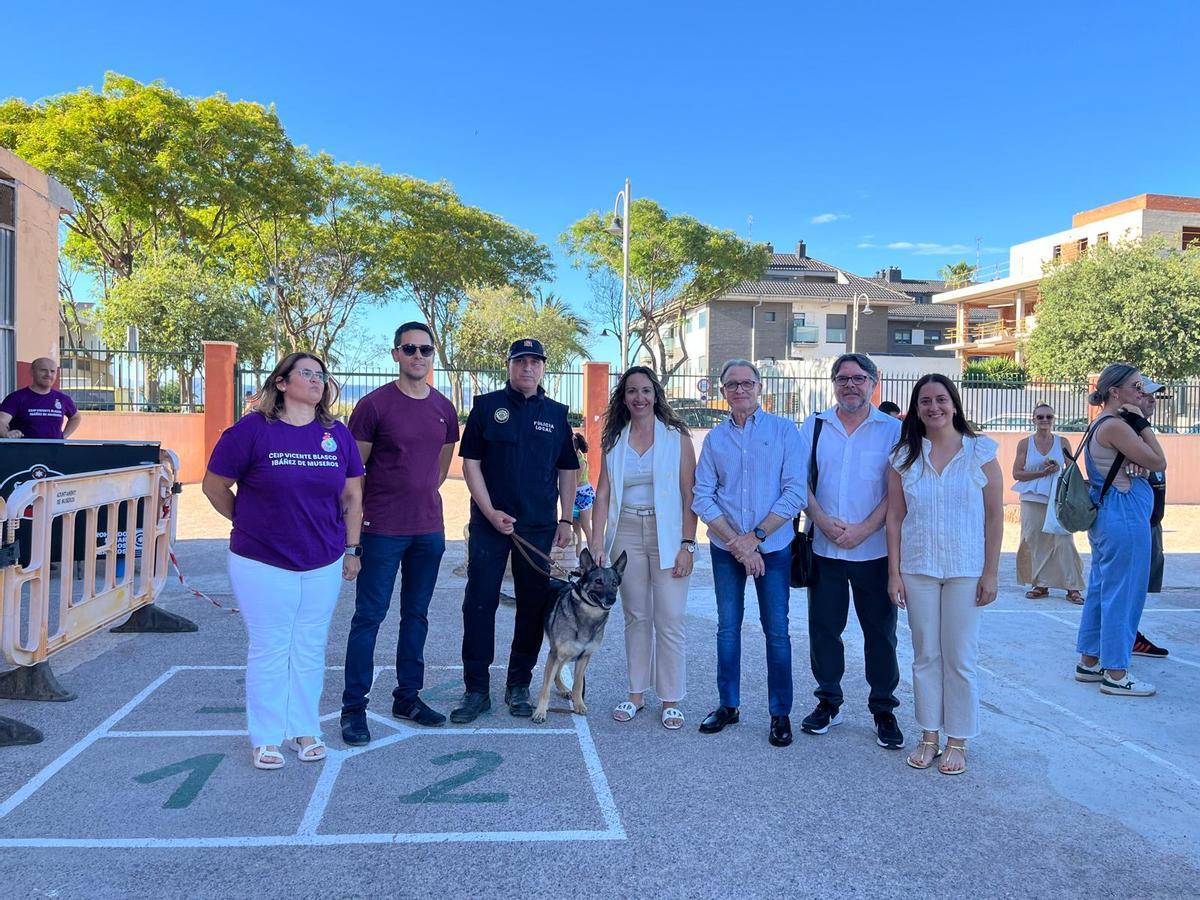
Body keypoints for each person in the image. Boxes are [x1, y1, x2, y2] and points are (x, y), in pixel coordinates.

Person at [203, 352, 363, 770]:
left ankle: (305, 729)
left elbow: (352, 497)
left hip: (323, 559)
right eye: (305, 374)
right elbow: (214, 485)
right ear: (281, 383)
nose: (315, 380)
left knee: (309, 646)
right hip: (261, 560)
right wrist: (244, 518)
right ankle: (266, 736)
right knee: (271, 645)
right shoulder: (252, 431)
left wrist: (352, 548)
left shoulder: (336, 434)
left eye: (320, 375)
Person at [339, 322, 459, 745]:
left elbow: (439, 471)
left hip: (428, 531)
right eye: (410, 349)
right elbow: (353, 477)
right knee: (368, 618)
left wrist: (417, 498)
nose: (418, 356)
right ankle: (353, 709)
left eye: (426, 350)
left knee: (417, 616)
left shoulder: (445, 409)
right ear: (395, 354)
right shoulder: (373, 407)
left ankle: (407, 696)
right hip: (381, 531)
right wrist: (352, 539)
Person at [452, 338, 578, 723]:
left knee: (531, 606)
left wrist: (566, 520)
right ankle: (476, 690)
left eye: (535, 362)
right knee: (479, 604)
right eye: (520, 361)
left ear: (543, 368)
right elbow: (471, 464)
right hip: (490, 526)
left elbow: (568, 470)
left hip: (538, 527)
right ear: (509, 366)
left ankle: (518, 685)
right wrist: (490, 512)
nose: (527, 368)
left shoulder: (556, 413)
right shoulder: (486, 407)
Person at [886, 374, 1003, 775]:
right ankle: (929, 735)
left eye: (940, 400)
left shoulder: (980, 451)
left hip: (965, 569)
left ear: (954, 404)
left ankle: (958, 740)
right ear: (916, 409)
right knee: (925, 656)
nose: (933, 408)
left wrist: (991, 571)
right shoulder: (903, 456)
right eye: (924, 402)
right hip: (917, 568)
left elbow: (994, 515)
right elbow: (895, 517)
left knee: (960, 657)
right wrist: (894, 573)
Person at [693, 359, 805, 747]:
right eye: (731, 385)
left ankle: (780, 713)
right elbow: (702, 496)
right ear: (722, 391)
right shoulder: (714, 440)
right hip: (727, 550)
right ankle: (728, 705)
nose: (739, 390)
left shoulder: (784, 431)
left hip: (772, 548)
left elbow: (795, 493)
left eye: (746, 383)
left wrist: (754, 538)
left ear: (759, 387)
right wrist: (737, 544)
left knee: (776, 632)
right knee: (727, 628)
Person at [798, 353, 904, 749]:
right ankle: (829, 701)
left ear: (874, 382)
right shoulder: (814, 426)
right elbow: (800, 481)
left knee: (880, 634)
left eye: (859, 378)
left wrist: (863, 530)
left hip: (874, 551)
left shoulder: (892, 432)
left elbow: (897, 493)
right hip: (824, 549)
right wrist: (821, 520)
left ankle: (883, 708)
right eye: (842, 378)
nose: (850, 385)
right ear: (833, 384)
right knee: (824, 630)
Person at [592, 367, 697, 730]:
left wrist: (688, 544)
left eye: (646, 391)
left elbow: (689, 495)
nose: (639, 398)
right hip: (627, 534)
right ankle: (636, 693)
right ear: (624, 398)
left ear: (656, 395)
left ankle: (671, 699)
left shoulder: (676, 436)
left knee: (669, 617)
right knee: (637, 616)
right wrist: (596, 541)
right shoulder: (614, 439)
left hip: (667, 533)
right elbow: (603, 494)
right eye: (632, 391)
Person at [1074, 364, 1167, 698]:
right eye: (1136, 386)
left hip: (1111, 513)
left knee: (1103, 588)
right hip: (1124, 514)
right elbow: (1159, 461)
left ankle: (1089, 660)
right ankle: (1116, 672)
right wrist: (1141, 424)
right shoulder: (1115, 425)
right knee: (1124, 594)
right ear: (1115, 391)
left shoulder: (1104, 424)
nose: (1142, 392)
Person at [1012, 403, 1085, 604]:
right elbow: (1017, 473)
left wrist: (1057, 469)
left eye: (1048, 417)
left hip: (1057, 499)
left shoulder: (1062, 442)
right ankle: (1040, 584)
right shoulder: (1025, 444)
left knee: (1064, 541)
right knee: (1035, 541)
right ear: (1033, 420)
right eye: (1040, 417)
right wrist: (1041, 473)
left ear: (1054, 419)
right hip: (1031, 498)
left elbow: (1072, 470)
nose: (1045, 420)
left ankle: (1073, 587)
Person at [1123, 377, 1169, 659]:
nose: (1151, 399)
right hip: (1135, 522)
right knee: (1128, 587)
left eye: (1154, 396)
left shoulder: (1144, 434)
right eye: (1145, 394)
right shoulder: (1129, 433)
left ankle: (1131, 634)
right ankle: (1124, 638)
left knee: (1141, 586)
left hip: (1152, 521)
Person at [0, 357, 82, 439]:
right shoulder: (16, 398)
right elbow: (1, 421)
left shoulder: (63, 399)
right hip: (24, 450)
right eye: (43, 370)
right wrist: (6, 434)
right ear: (32, 372)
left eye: (52, 371)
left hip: (55, 451)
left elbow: (76, 418)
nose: (48, 374)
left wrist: (63, 436)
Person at [571, 432, 595, 559]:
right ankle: (577, 556)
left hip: (583, 495)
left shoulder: (580, 461)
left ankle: (593, 556)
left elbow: (575, 482)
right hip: (575, 495)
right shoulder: (573, 459)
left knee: (586, 526)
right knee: (576, 528)